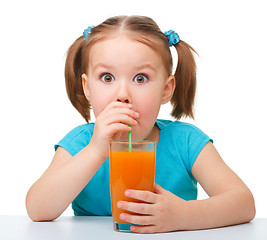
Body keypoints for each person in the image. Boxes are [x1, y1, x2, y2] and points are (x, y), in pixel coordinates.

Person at [26, 15, 255, 233]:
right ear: (87, 87)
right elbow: (37, 209)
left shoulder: (186, 142)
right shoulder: (80, 144)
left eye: (140, 78)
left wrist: (184, 215)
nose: (123, 95)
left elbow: (244, 203)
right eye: (107, 77)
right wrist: (95, 151)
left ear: (166, 90)